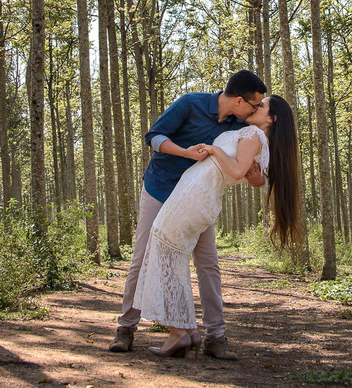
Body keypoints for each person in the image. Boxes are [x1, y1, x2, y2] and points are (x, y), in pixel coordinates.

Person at [108, 70, 268, 360]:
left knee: (208, 263)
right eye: (254, 105)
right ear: (239, 101)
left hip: (196, 200)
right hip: (161, 189)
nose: (256, 110)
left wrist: (256, 178)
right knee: (142, 257)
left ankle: (215, 337)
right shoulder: (190, 103)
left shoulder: (240, 125)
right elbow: (153, 137)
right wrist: (185, 153)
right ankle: (126, 329)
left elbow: (247, 169)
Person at [132, 95, 301, 358]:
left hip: (194, 194)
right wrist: (255, 177)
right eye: (255, 103)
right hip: (197, 193)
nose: (256, 107)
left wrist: (214, 150)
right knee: (171, 253)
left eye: (261, 106)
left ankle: (180, 333)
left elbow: (237, 171)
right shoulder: (258, 138)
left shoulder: (253, 133)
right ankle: (188, 330)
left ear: (271, 119)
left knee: (165, 251)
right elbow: (257, 177)